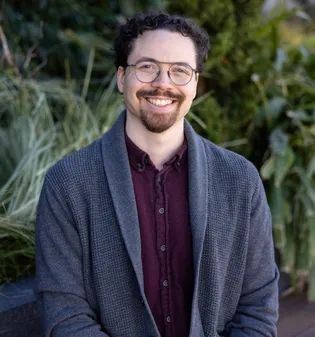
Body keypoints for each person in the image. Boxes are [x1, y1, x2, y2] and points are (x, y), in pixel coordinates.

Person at [35, 11, 279, 337]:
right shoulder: (68, 183)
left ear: (195, 83)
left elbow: (258, 308)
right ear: (122, 77)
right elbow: (65, 315)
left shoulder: (240, 180)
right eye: (147, 67)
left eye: (179, 71)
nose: (163, 83)